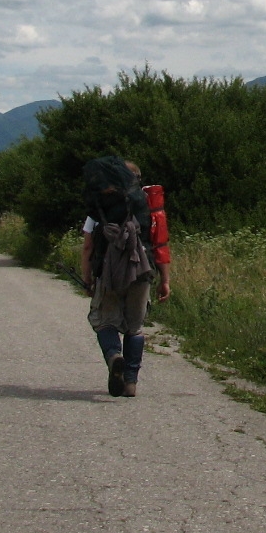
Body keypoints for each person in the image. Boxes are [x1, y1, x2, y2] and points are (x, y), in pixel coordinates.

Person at [80, 160, 170, 398]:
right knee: (135, 328)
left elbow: (88, 247)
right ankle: (130, 383)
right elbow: (160, 245)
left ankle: (113, 356)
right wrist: (165, 280)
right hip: (142, 270)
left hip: (108, 272)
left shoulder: (100, 204)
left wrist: (87, 278)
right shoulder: (150, 206)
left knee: (104, 321)